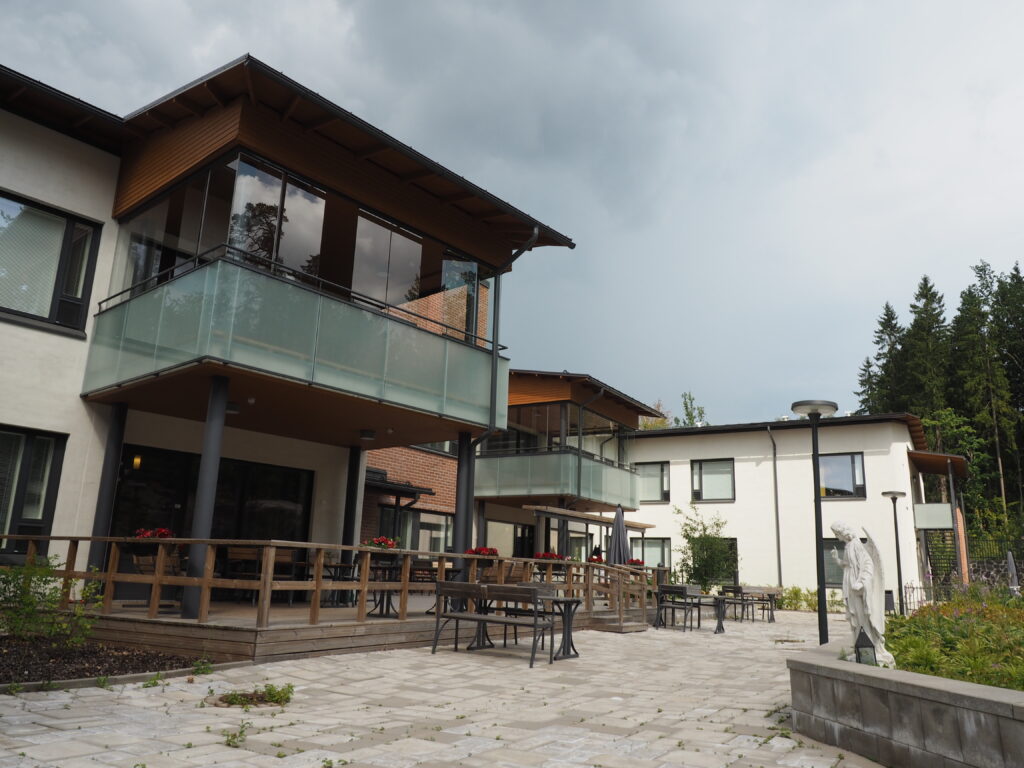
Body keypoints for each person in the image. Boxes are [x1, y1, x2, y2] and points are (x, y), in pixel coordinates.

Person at [830, 521, 895, 667]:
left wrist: (861, 582)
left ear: (843, 532)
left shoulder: (856, 545)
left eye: (837, 534)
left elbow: (868, 565)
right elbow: (847, 565)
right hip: (850, 586)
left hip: (857, 587)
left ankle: (871, 650)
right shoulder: (848, 546)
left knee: (863, 619)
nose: (836, 537)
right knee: (856, 621)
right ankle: (860, 650)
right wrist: (836, 559)